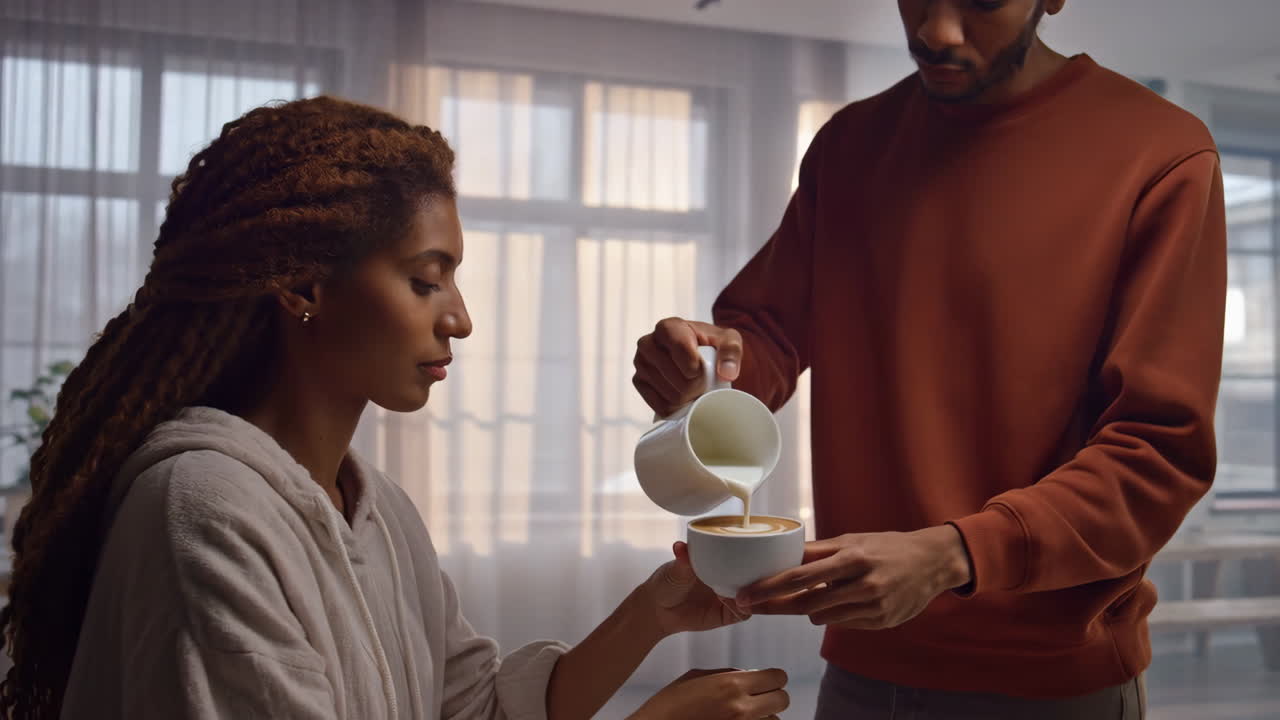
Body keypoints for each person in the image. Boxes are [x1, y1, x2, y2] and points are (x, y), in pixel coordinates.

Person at [0, 96, 792, 720]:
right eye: (425, 279)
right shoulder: (203, 514)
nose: (460, 318)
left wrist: (649, 613)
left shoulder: (376, 514)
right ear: (304, 286)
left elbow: (473, 710)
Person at [631, 0, 1226, 717]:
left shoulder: (1160, 155)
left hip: (1052, 685)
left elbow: (1156, 457)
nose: (936, 33)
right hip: (860, 671)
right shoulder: (849, 147)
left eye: (980, 2)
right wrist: (708, 371)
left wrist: (955, 555)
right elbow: (765, 337)